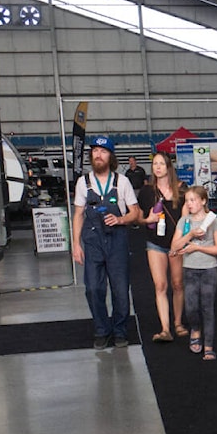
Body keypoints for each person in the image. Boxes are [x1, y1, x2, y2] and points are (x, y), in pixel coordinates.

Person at [72, 135, 142, 349]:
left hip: (117, 241)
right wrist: (76, 244)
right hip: (93, 242)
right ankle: (102, 330)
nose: (98, 155)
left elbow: (136, 213)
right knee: (93, 289)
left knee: (120, 290)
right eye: (94, 151)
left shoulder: (122, 182)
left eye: (103, 152)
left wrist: (120, 219)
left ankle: (120, 330)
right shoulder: (83, 183)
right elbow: (78, 214)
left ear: (110, 156)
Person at [138, 152, 188, 342]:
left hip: (176, 243)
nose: (157, 167)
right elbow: (138, 218)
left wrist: (183, 238)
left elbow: (187, 218)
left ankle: (178, 323)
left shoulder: (182, 190)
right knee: (160, 285)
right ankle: (165, 328)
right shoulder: (146, 192)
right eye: (155, 164)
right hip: (155, 243)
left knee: (177, 284)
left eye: (161, 163)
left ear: (168, 167)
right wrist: (147, 219)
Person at [171, 186, 217, 361]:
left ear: (203, 201)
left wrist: (197, 247)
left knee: (207, 307)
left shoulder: (214, 222)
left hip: (209, 269)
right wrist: (191, 235)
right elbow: (174, 246)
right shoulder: (184, 221)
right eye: (187, 201)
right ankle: (195, 328)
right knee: (191, 306)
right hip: (190, 268)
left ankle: (208, 345)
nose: (190, 204)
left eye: (193, 200)